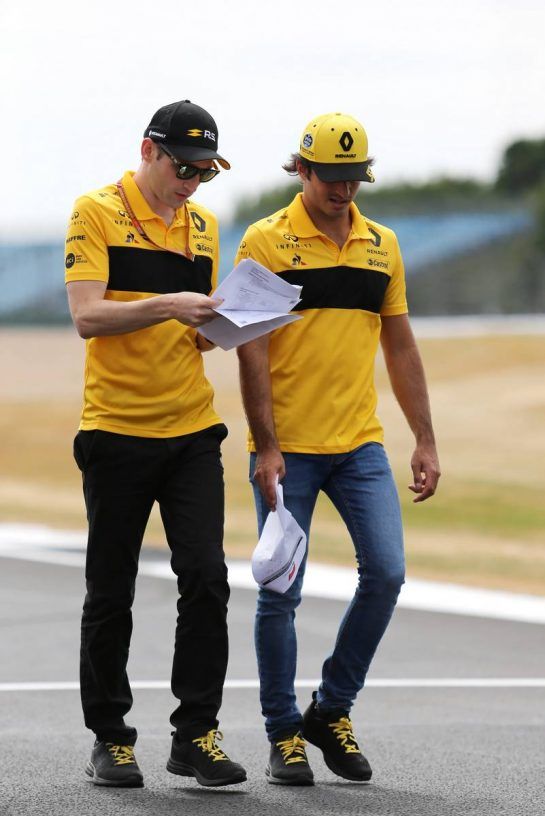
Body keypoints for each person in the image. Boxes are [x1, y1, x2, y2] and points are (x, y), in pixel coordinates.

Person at [235, 112, 440, 786]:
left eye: (354, 179)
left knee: (385, 573)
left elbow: (400, 344)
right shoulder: (264, 242)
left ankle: (331, 710)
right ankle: (282, 732)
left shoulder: (382, 245)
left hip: (359, 446)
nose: (344, 190)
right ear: (301, 170)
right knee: (279, 592)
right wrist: (266, 446)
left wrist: (424, 437)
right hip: (286, 451)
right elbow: (250, 350)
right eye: (332, 177)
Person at [65, 100, 246, 789]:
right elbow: (88, 316)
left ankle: (196, 734)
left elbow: (196, 331)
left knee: (207, 578)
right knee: (111, 593)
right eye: (183, 168)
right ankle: (110, 739)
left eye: (205, 173)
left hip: (192, 428)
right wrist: (168, 304)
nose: (192, 184)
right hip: (115, 429)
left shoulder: (203, 225)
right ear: (148, 150)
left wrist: (229, 324)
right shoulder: (96, 211)